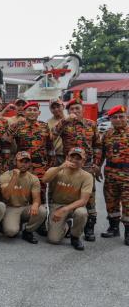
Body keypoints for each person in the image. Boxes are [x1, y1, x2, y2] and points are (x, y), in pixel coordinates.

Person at [53, 98, 101, 241]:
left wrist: (96, 163)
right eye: (71, 109)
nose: (74, 111)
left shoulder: (91, 124)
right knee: (68, 192)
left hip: (87, 166)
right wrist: (65, 120)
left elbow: (98, 146)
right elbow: (52, 134)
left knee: (90, 197)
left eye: (77, 108)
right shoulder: (64, 124)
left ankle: (89, 227)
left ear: (83, 110)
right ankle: (67, 222)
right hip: (69, 165)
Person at [43, 147, 94, 251]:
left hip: (75, 206)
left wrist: (64, 209)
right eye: (72, 157)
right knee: (53, 239)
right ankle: (67, 226)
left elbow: (83, 201)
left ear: (83, 162)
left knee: (82, 213)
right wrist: (60, 167)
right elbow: (45, 180)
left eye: (78, 158)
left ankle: (75, 237)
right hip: (57, 204)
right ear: (67, 157)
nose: (74, 160)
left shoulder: (87, 176)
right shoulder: (56, 170)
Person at [8, 101, 54, 199]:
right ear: (24, 112)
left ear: (39, 113)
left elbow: (50, 146)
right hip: (23, 164)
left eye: (35, 110)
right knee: (23, 189)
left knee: (40, 190)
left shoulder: (45, 126)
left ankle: (40, 207)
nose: (32, 112)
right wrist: (9, 160)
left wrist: (50, 164)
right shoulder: (16, 126)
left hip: (40, 165)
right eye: (29, 110)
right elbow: (6, 142)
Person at [0, 151, 47, 244]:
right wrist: (14, 177)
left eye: (26, 162)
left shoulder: (33, 178)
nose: (24, 164)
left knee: (42, 210)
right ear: (15, 162)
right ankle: (4, 222)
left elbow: (36, 198)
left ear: (30, 163)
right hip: (10, 207)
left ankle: (28, 231)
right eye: (21, 161)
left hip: (25, 207)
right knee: (11, 232)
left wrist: (35, 204)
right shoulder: (5, 176)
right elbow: (6, 196)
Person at [97, 105, 129, 244]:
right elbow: (101, 153)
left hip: (127, 175)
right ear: (110, 119)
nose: (118, 119)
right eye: (115, 117)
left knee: (128, 204)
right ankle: (113, 228)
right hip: (110, 174)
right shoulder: (107, 134)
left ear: (126, 117)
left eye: (121, 116)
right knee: (111, 202)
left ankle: (128, 232)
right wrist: (97, 167)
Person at [47, 99, 66, 166]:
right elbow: (49, 139)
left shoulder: (70, 119)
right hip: (56, 156)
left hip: (71, 155)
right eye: (53, 108)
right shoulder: (48, 123)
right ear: (50, 110)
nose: (56, 109)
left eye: (58, 106)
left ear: (63, 106)